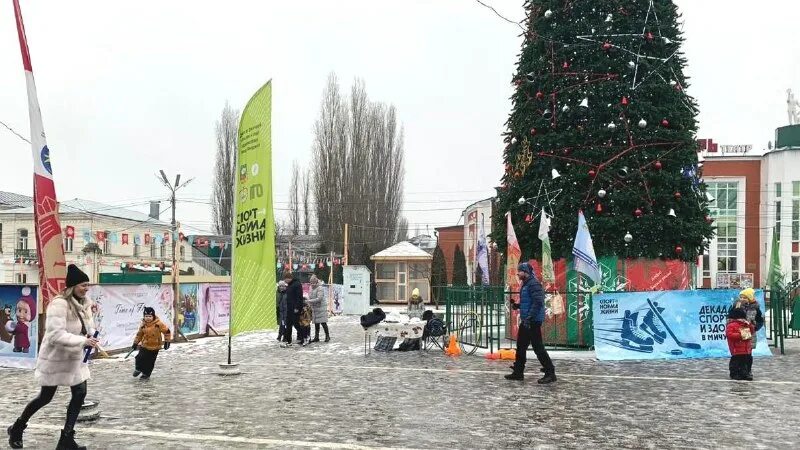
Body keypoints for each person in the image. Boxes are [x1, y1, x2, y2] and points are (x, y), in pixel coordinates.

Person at [7, 264, 97, 450]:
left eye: (88, 285)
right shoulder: (59, 304)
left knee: (80, 393)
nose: (86, 288)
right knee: (45, 397)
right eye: (83, 285)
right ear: (72, 286)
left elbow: (89, 327)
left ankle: (66, 439)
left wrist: (92, 336)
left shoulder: (85, 304)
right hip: (55, 359)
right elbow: (55, 335)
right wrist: (82, 341)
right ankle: (18, 427)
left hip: (75, 359)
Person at [505, 262, 556, 384]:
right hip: (527, 320)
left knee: (538, 347)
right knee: (521, 346)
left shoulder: (534, 284)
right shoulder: (526, 284)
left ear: (526, 272)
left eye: (520, 271)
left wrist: (529, 317)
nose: (518, 273)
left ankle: (550, 372)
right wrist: (517, 305)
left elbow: (538, 302)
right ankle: (518, 372)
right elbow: (529, 302)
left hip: (532, 321)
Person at [131, 307, 172, 380]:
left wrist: (167, 342)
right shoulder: (143, 325)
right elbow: (139, 335)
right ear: (144, 316)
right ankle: (138, 369)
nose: (148, 318)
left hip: (155, 346)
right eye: (146, 316)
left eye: (150, 316)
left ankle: (146, 374)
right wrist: (135, 343)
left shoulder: (158, 324)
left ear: (153, 316)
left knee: (150, 362)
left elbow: (167, 332)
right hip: (145, 345)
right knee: (139, 357)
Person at [726, 308, 755, 381]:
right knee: (736, 362)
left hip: (746, 348)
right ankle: (734, 374)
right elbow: (730, 335)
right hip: (736, 348)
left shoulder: (745, 324)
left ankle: (745, 373)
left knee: (745, 362)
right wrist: (741, 335)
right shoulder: (731, 325)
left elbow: (751, 331)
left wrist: (750, 325)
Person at [281, 272, 304, 348]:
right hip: (289, 308)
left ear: (289, 278)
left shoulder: (297, 284)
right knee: (288, 325)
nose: (285, 281)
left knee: (296, 324)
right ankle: (288, 341)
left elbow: (299, 297)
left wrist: (297, 307)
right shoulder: (289, 285)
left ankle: (304, 337)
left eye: (285, 279)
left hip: (295, 308)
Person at [308, 276, 330, 343]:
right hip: (315, 307)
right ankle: (316, 337)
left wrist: (309, 301)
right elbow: (310, 296)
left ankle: (327, 336)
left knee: (323, 322)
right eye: (311, 283)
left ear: (316, 282)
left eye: (314, 282)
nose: (312, 284)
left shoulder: (320, 288)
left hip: (321, 307)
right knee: (316, 323)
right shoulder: (310, 288)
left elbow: (319, 298)